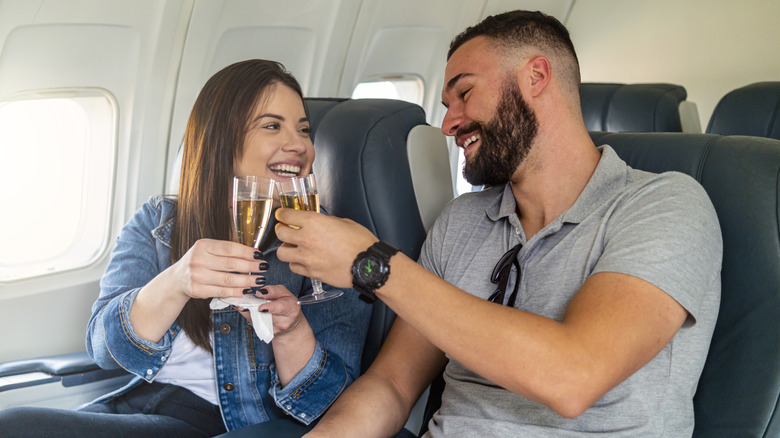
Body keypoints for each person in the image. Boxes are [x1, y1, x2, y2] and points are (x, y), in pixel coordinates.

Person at [274, 10, 722, 437]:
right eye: (446, 104)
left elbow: (574, 377)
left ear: (537, 77)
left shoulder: (665, 204)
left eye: (464, 93)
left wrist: (371, 264)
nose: (448, 124)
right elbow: (392, 385)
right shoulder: (461, 222)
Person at [0, 60, 371, 437]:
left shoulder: (330, 245)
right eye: (272, 126)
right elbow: (104, 350)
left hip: (233, 424)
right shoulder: (159, 222)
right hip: (139, 406)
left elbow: (336, 408)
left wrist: (291, 332)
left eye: (304, 129)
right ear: (221, 140)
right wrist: (176, 282)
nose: (299, 145)